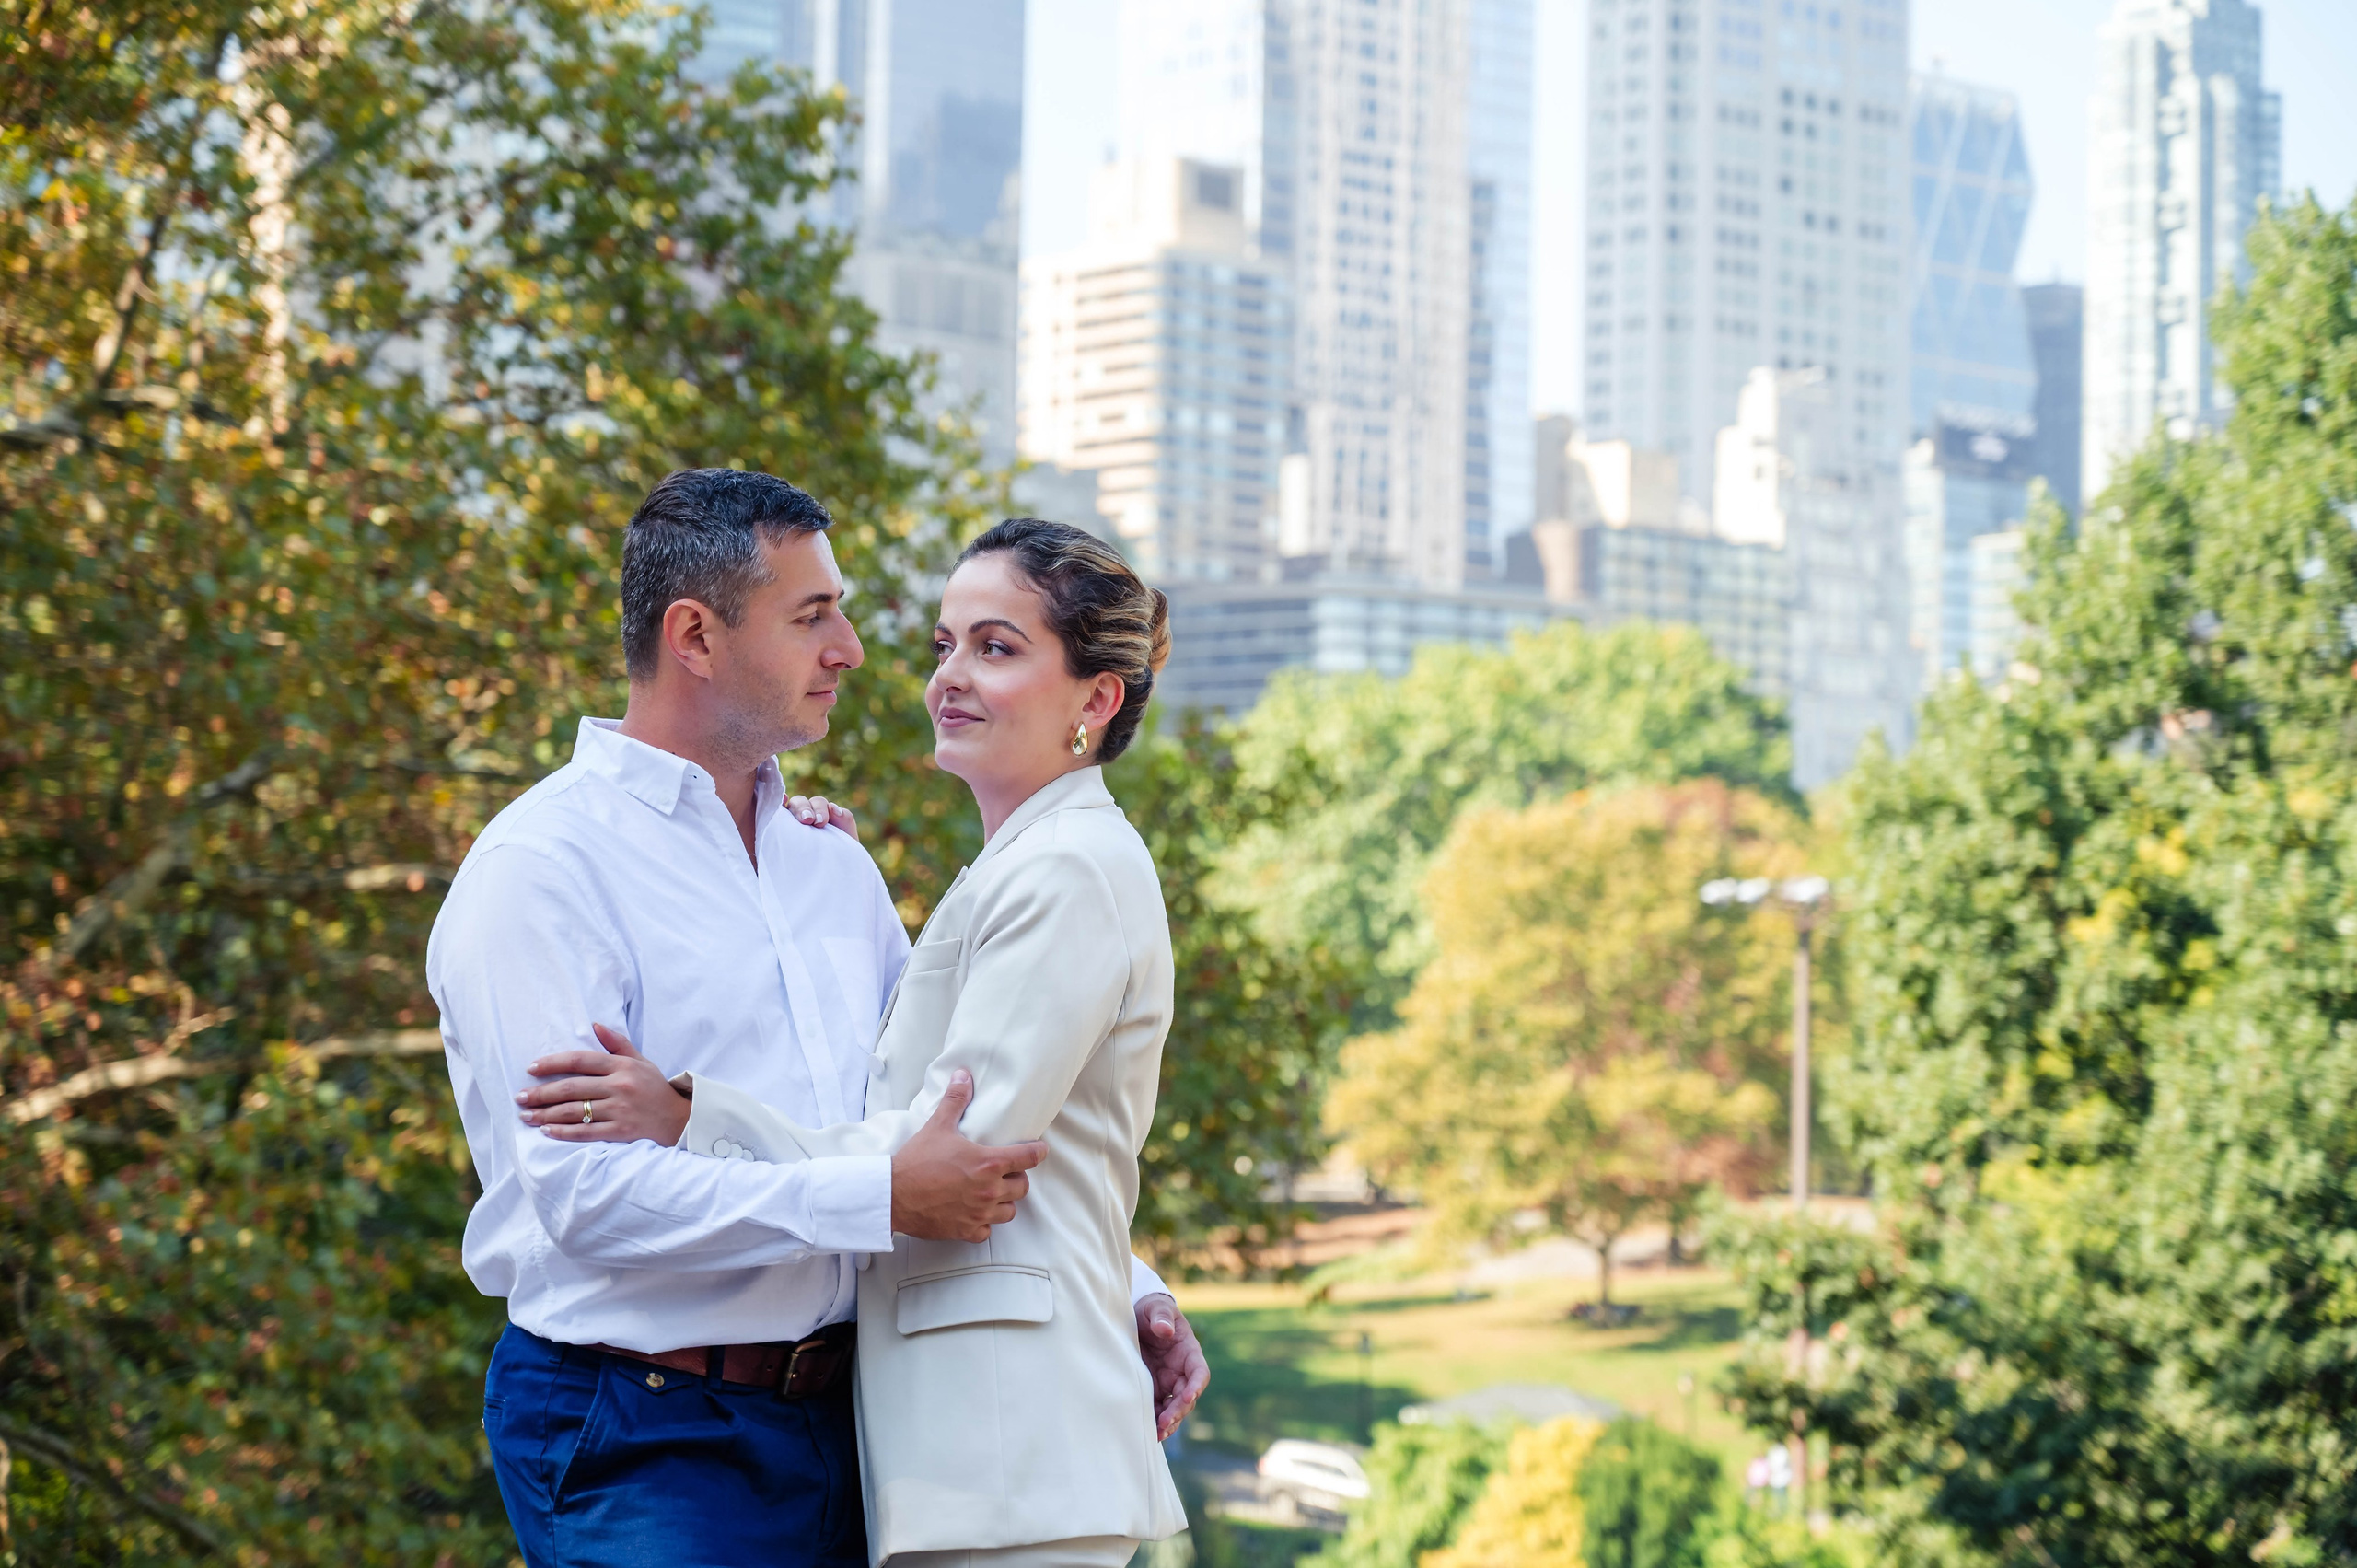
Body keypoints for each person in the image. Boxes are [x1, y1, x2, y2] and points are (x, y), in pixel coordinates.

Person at [428, 472, 1206, 1568]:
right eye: (812, 616)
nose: (852, 649)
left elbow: (933, 1124)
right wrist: (877, 1192)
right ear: (695, 636)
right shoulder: (540, 870)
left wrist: (1124, 1283)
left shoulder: (828, 863)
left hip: (857, 1428)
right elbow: (584, 1199)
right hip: (650, 1431)